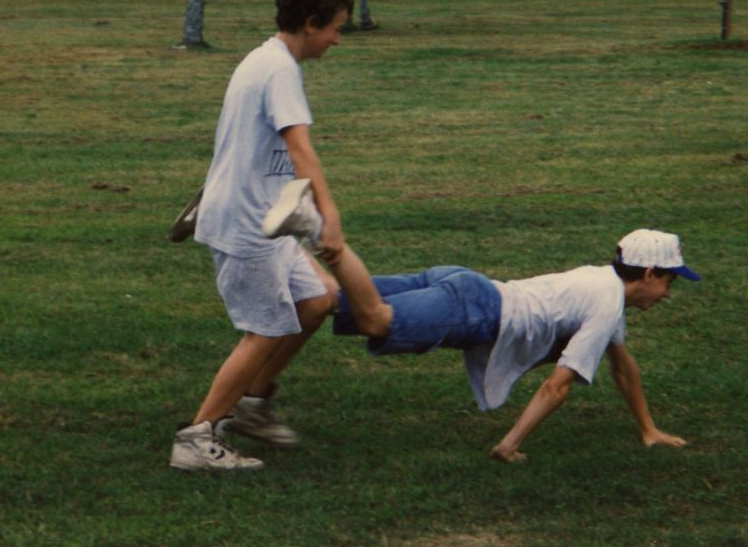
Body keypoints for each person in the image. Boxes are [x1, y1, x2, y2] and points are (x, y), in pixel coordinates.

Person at [263, 179, 698, 463]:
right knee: (376, 320)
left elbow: (623, 366)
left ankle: (266, 233)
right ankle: (313, 229)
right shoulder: (606, 303)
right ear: (649, 274)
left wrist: (648, 428)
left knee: (336, 299)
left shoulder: (601, 282)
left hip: (466, 286)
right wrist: (510, 444)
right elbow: (557, 386)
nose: (669, 294)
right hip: (473, 308)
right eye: (670, 282)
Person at [169, 0, 353, 471]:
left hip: (264, 220)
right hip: (247, 225)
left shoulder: (266, 60)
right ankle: (196, 436)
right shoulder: (276, 70)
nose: (337, 39)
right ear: (311, 23)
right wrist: (329, 217)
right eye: (334, 28)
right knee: (265, 330)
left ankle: (250, 406)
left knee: (318, 300)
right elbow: (300, 149)